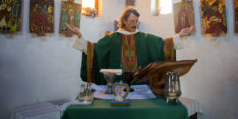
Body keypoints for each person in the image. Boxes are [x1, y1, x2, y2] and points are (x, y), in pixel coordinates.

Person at [66, 8, 194, 85]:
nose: (135, 24)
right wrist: (79, 35)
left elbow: (164, 45)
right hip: (117, 82)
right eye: (132, 21)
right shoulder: (112, 38)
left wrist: (179, 36)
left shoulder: (144, 37)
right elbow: (94, 49)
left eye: (137, 21)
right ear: (124, 22)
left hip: (141, 83)